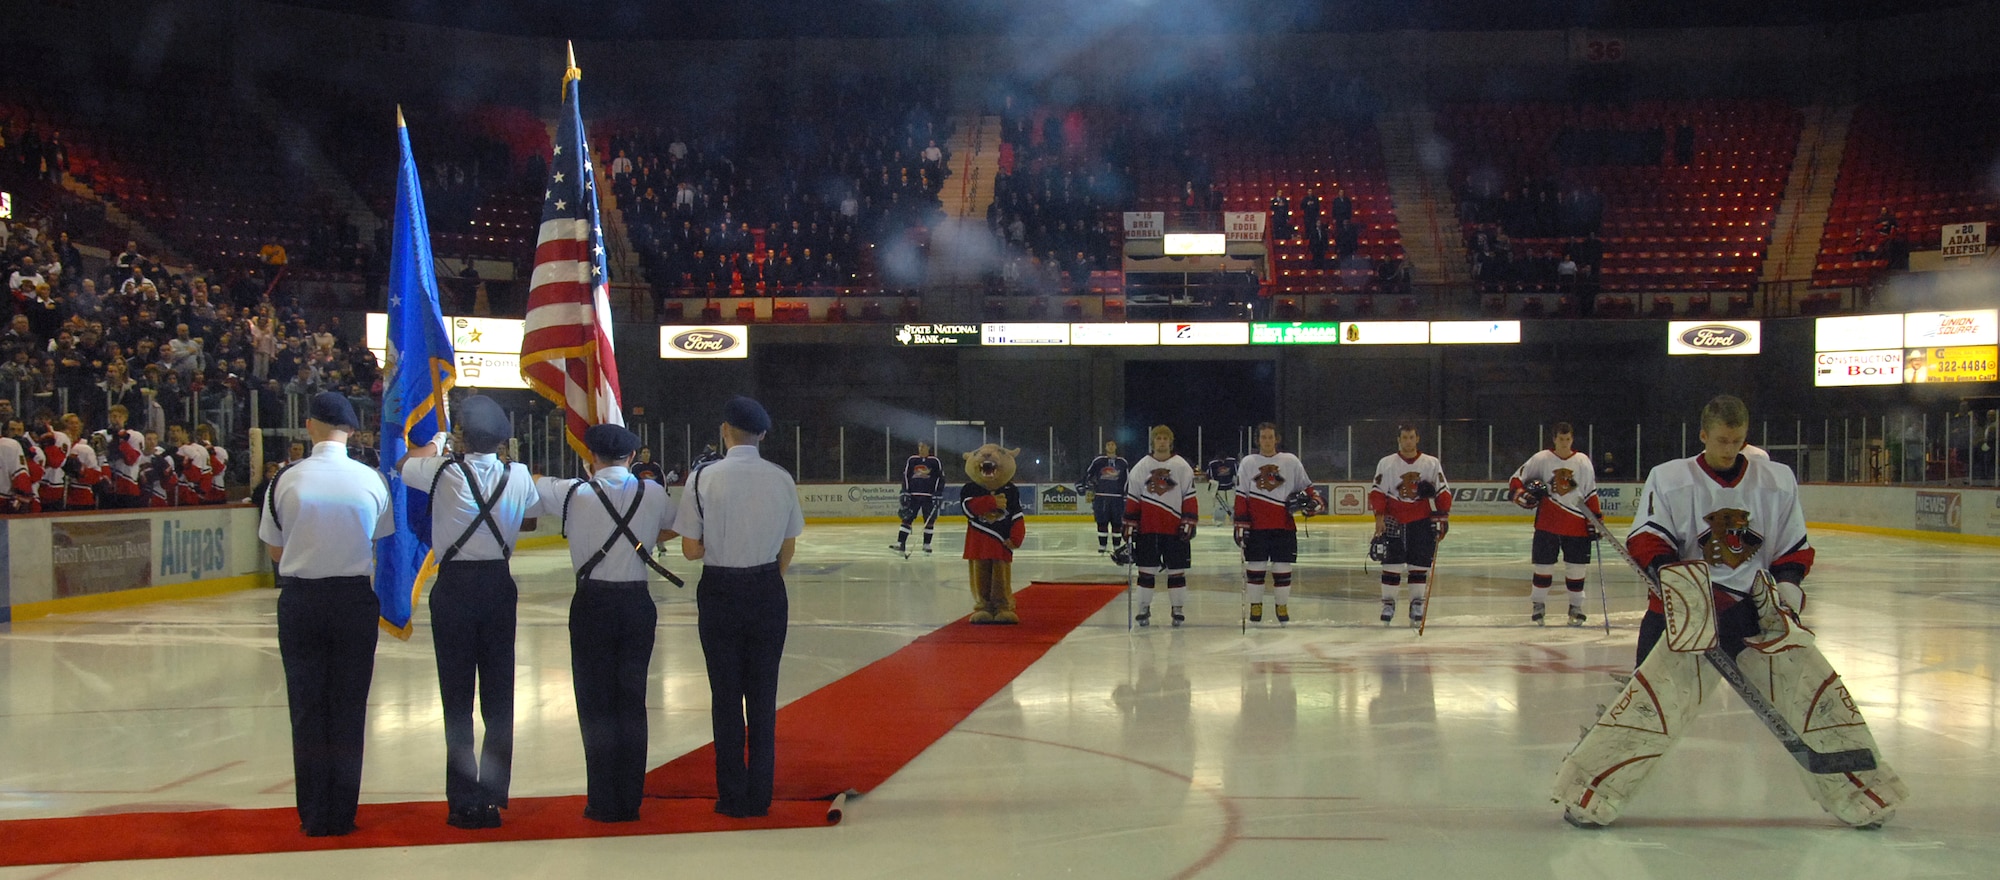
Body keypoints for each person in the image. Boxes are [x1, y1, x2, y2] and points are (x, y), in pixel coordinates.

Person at [1556, 394, 1906, 828]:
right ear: (1703, 435)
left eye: (1738, 440)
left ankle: (1865, 796)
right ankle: (1587, 798)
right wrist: (1679, 582)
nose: (1730, 449)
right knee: (1645, 710)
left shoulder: (1775, 480)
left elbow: (1793, 549)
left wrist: (1788, 596)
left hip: (1751, 614)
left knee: (1816, 701)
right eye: (1722, 440)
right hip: (1682, 617)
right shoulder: (1669, 478)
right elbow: (1647, 539)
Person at [257, 392, 393, 837]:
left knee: (308, 708)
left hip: (302, 600)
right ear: (351, 431)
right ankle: (343, 812)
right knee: (350, 708)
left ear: (310, 426)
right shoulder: (372, 480)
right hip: (353, 599)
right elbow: (380, 537)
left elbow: (276, 550)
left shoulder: (286, 479)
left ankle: (315, 814)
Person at [400, 396, 539, 830]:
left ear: (462, 436)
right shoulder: (516, 474)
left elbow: (404, 463)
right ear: (501, 441)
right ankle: (493, 796)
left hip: (456, 587)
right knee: (499, 698)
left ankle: (463, 800)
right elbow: (530, 519)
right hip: (499, 584)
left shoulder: (443, 471)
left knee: (456, 700)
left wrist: (438, 438)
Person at [531, 423, 678, 823]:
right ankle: (631, 799)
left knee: (595, 704)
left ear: (589, 458)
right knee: (632, 702)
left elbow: (531, 487)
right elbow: (674, 524)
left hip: (592, 603)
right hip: (636, 601)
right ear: (632, 457)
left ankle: (601, 800)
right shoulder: (652, 491)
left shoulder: (571, 492)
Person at [677, 397, 803, 818]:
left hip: (720, 592)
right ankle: (761, 794)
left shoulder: (702, 478)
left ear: (725, 430)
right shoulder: (781, 478)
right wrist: (767, 577)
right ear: (763, 434)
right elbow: (789, 543)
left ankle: (732, 795)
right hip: (767, 589)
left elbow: (691, 550)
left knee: (726, 697)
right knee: (763, 696)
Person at [1508, 422, 1600, 626]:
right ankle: (1538, 605)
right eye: (1561, 439)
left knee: (1576, 569)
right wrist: (1523, 495)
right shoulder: (1542, 459)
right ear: (1554, 439)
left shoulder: (1583, 461)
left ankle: (1576, 608)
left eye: (1568, 439)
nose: (1565, 443)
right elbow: (1516, 480)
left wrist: (1596, 519)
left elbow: (1590, 492)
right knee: (1543, 567)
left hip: (1577, 524)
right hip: (1547, 524)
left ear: (1572, 439)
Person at [1369, 424, 1452, 626]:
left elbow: (1443, 492)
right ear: (1399, 439)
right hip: (1393, 520)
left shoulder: (1431, 463)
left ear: (1417, 439)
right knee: (1391, 564)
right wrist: (1379, 518)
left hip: (1421, 520)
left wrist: (1442, 514)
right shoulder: (1387, 463)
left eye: (1411, 437)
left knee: (1419, 564)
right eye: (1404, 437)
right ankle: (1388, 603)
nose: (1408, 441)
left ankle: (1417, 603)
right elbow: (1378, 492)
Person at [1234, 422, 1316, 624]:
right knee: (1256, 567)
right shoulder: (1248, 462)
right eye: (1263, 437)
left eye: (1271, 437)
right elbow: (1240, 495)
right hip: (1256, 527)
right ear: (1258, 440)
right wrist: (1240, 525)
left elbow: (1307, 488)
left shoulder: (1290, 461)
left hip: (1283, 526)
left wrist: (1313, 503)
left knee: (1282, 568)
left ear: (1276, 439)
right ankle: (1256, 607)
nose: (1267, 441)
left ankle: (1281, 606)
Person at [1124, 425, 1198, 627]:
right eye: (1158, 438)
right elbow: (1133, 498)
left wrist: (1189, 521)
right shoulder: (1141, 467)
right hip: (1148, 529)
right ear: (1153, 441)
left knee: (1177, 571)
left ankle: (1177, 608)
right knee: (1146, 571)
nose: (1162, 441)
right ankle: (1144, 607)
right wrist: (1130, 523)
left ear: (1170, 441)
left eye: (1165, 438)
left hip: (1175, 530)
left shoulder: (1182, 466)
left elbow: (1189, 497)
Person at [890, 441, 944, 555]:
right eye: (919, 446)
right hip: (913, 495)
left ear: (928, 447)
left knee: (929, 520)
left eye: (923, 446)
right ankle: (901, 543)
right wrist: (904, 491)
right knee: (907, 518)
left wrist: (938, 493)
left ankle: (926, 544)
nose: (920, 448)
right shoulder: (912, 459)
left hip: (929, 496)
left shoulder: (935, 461)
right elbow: (906, 476)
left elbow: (940, 478)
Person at [1080, 440, 1130, 555]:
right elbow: (1088, 474)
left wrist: (1125, 494)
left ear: (1116, 446)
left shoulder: (1122, 462)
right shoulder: (1099, 461)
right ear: (1105, 447)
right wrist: (1088, 484)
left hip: (1117, 497)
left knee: (1117, 523)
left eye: (1113, 444)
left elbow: (1127, 479)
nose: (1111, 446)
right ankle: (1102, 546)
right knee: (1102, 522)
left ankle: (1117, 546)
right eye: (1108, 445)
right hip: (1101, 497)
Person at [1204, 448, 1238, 528]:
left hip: (1230, 487)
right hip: (1219, 489)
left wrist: (1237, 484)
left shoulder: (1232, 461)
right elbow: (1208, 476)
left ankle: (1234, 519)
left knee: (1232, 504)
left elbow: (1237, 473)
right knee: (1219, 506)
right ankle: (1219, 521)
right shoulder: (1213, 464)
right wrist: (1212, 485)